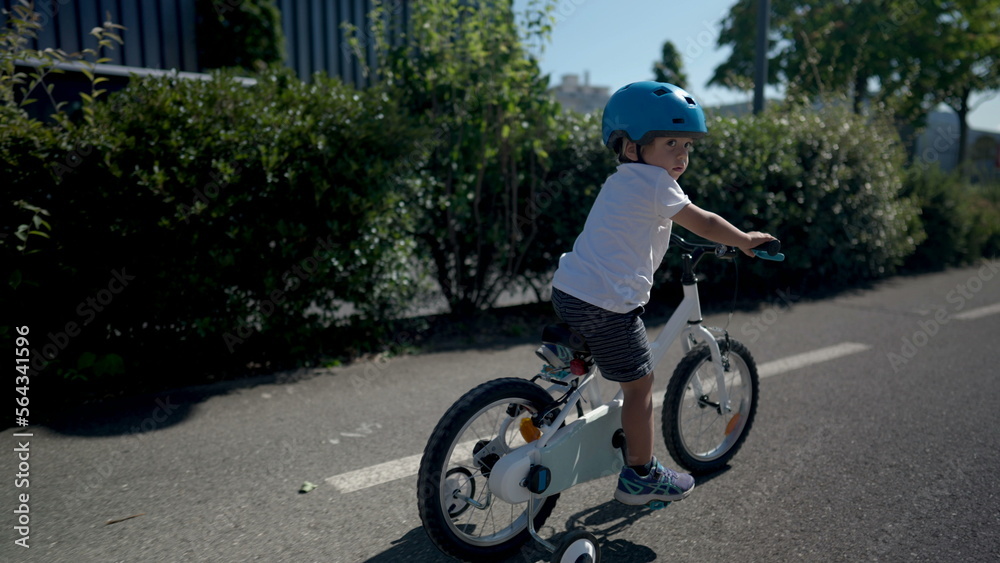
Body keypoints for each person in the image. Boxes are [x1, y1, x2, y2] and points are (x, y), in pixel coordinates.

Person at [549, 81, 776, 506]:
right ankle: (640, 475)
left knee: (600, 350)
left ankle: (567, 359)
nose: (681, 154)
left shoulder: (619, 181)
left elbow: (627, 231)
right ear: (632, 147)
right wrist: (744, 239)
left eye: (687, 145)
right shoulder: (657, 185)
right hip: (609, 307)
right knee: (640, 386)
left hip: (569, 291)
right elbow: (703, 222)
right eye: (670, 142)